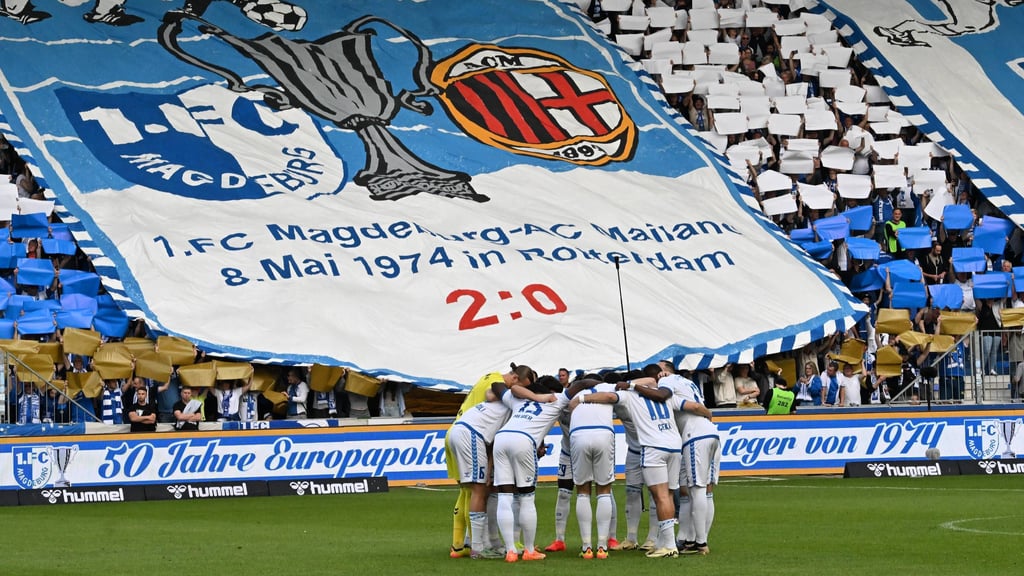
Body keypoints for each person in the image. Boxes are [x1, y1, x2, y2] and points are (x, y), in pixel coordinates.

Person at [583, 364, 712, 558]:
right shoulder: (665, 395)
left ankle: (667, 544)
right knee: (667, 495)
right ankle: (662, 541)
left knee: (659, 496)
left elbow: (610, 396)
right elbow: (693, 406)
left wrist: (582, 398)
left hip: (652, 447)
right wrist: (709, 417)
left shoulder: (629, 395)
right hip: (674, 446)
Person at [449, 377, 553, 560]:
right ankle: (478, 547)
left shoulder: (504, 398)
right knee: (479, 490)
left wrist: (490, 468)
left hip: (461, 431)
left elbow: (495, 441)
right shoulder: (517, 407)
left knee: (482, 488)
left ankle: (486, 542)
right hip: (471, 434)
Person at [492, 376, 588, 563]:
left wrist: (531, 395)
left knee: (504, 496)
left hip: (501, 439)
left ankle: (510, 551)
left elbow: (496, 385)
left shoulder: (519, 400)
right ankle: (529, 550)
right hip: (524, 441)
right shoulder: (556, 399)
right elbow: (582, 384)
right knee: (527, 497)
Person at [565, 376, 618, 559]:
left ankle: (587, 547)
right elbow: (646, 381)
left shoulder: (571, 392)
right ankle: (602, 547)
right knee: (604, 490)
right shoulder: (608, 386)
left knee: (582, 490)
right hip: (603, 433)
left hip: (578, 435)